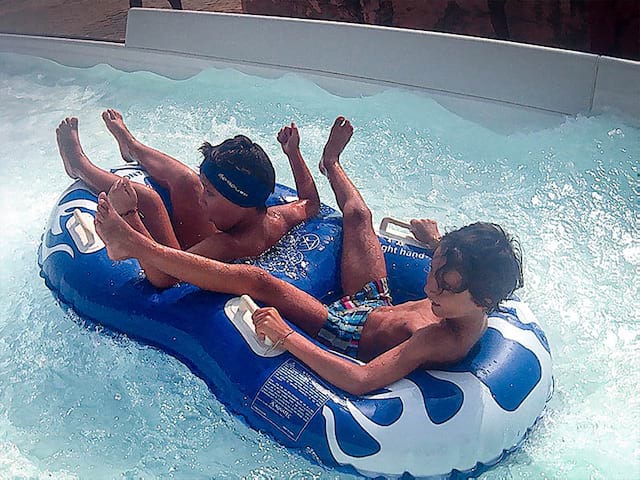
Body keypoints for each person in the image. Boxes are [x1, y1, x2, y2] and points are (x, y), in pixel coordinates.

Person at [93, 116, 524, 395]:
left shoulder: (440, 338)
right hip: (377, 303)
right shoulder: (475, 292)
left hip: (345, 331)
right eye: (434, 270)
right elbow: (462, 266)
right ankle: (332, 161)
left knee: (261, 282)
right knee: (358, 214)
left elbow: (361, 380)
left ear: (484, 299)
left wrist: (286, 336)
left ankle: (134, 244)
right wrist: (434, 243)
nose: (430, 284)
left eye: (445, 286)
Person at [56, 111, 319, 287]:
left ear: (240, 202)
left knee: (148, 200)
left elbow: (165, 278)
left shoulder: (226, 246)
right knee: (186, 181)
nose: (202, 199)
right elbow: (310, 203)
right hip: (199, 245)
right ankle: (131, 146)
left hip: (181, 259)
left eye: (211, 194)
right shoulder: (275, 217)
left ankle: (80, 167)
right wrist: (293, 153)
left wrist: (130, 215)